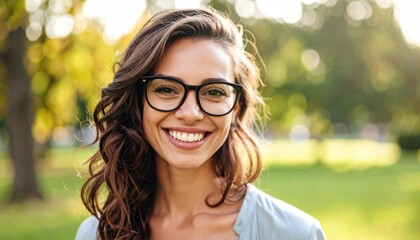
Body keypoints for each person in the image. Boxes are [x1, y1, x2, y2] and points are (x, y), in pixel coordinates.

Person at [75, 7, 326, 240]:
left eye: (214, 92)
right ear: (138, 103)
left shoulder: (296, 233)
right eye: (166, 89)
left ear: (236, 107)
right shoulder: (97, 233)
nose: (191, 113)